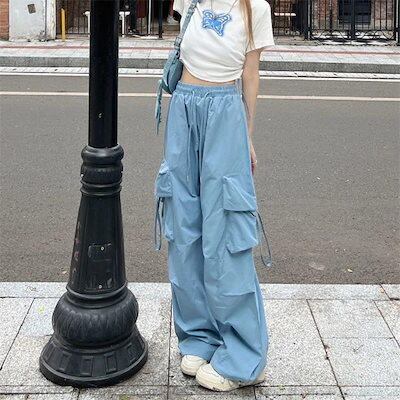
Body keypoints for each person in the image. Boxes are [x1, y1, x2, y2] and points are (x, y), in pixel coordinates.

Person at [153, 0, 275, 392]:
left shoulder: (256, 8)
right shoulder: (189, 1)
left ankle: (243, 358)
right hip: (183, 109)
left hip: (225, 113)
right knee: (183, 228)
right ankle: (198, 337)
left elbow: (251, 75)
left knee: (226, 233)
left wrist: (247, 136)